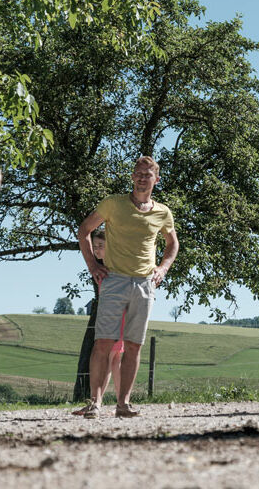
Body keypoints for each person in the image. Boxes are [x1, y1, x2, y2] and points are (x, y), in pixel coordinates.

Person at [73, 156, 179, 419]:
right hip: (114, 280)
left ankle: (123, 404)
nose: (142, 178)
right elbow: (84, 229)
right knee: (104, 343)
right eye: (138, 173)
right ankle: (95, 403)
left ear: (157, 179)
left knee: (133, 345)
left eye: (148, 174)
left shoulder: (162, 212)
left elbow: (172, 244)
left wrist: (163, 268)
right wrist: (93, 267)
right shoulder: (113, 204)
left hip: (145, 283)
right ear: (132, 177)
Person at [70, 229, 124, 415]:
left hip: (119, 315)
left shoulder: (118, 269)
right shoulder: (101, 269)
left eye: (101, 246)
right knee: (111, 359)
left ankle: (116, 402)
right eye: (94, 247)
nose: (96, 250)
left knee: (112, 358)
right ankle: (103, 402)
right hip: (109, 315)